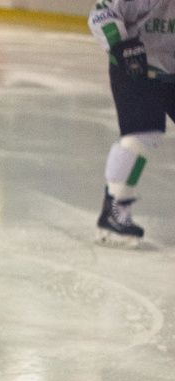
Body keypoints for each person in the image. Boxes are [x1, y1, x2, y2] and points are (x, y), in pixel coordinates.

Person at [88, 0, 175, 248]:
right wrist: (121, 45)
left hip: (170, 68)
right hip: (134, 66)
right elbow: (102, 13)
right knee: (143, 135)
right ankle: (114, 209)